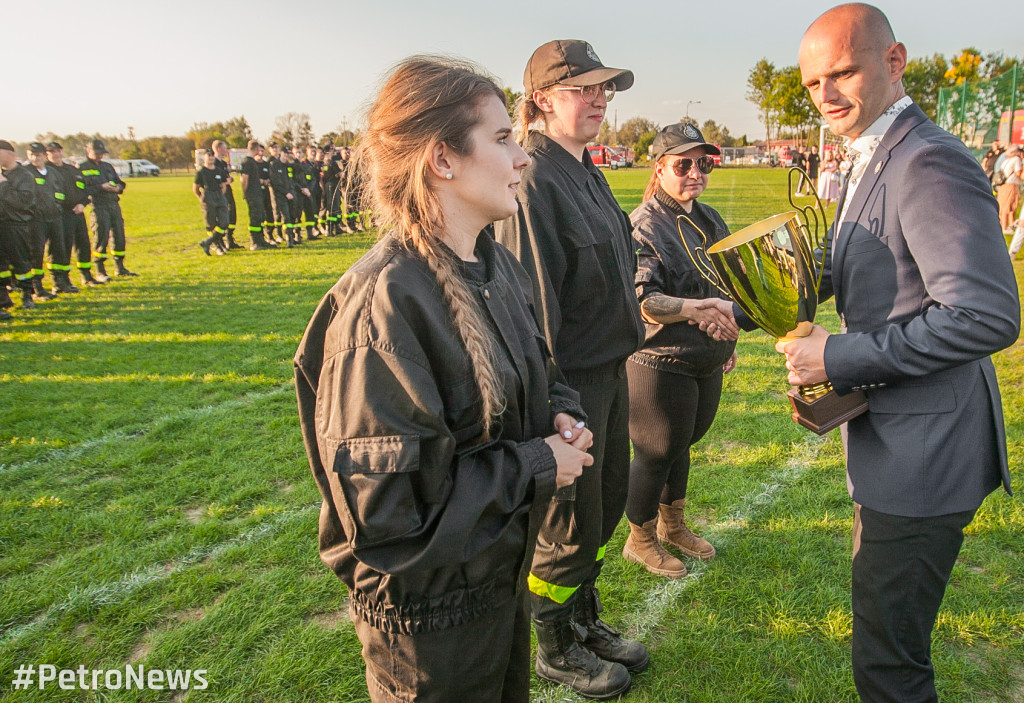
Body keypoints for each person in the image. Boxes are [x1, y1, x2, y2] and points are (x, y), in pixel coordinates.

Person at [295, 55, 593, 703]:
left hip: (492, 583)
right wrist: (541, 462)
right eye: (504, 138)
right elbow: (391, 522)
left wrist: (561, 413)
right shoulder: (385, 306)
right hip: (429, 628)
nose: (523, 159)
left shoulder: (495, 265)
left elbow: (540, 373)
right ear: (443, 160)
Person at [777, 5, 1019, 702]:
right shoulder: (873, 152)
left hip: (926, 457)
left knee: (889, 664)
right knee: (886, 642)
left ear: (894, 61)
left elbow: (986, 315)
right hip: (900, 442)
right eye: (812, 82)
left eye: (843, 72)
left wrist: (840, 356)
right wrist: (736, 303)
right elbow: (856, 265)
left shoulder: (927, 157)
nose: (825, 94)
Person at [494, 39, 646, 698]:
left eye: (604, 88)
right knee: (567, 523)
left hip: (612, 372)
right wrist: (555, 407)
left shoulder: (585, 168)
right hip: (571, 385)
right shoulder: (532, 178)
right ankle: (553, 643)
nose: (599, 99)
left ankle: (583, 619)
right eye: (582, 88)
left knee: (605, 507)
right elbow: (533, 310)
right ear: (540, 100)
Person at [621, 123, 739, 581]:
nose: (695, 173)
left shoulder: (709, 218)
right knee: (657, 448)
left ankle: (673, 526)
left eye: (703, 163)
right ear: (660, 167)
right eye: (683, 164)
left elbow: (730, 284)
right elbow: (642, 297)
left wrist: (730, 337)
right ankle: (640, 538)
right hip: (659, 360)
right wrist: (695, 309)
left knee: (684, 442)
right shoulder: (643, 225)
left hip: (706, 358)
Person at [46, 142, 103, 287]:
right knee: (62, 247)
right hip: (61, 215)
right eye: (52, 152)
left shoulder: (72, 170)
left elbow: (83, 189)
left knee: (83, 245)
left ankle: (86, 275)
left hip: (78, 213)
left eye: (58, 151)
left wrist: (82, 204)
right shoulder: (47, 171)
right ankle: (62, 279)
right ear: (47, 154)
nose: (56, 154)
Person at [80, 139, 137, 278]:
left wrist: (118, 188)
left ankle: (120, 267)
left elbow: (120, 182)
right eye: (97, 153)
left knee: (119, 236)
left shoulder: (107, 166)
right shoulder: (83, 167)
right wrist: (100, 187)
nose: (100, 156)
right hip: (98, 206)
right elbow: (83, 189)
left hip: (113, 204)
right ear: (89, 151)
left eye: (102, 153)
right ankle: (100, 270)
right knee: (101, 237)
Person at [24, 142, 64, 300]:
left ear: (44, 156)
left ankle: (59, 282)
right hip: (36, 221)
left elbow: (60, 192)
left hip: (54, 218)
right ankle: (37, 287)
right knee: (36, 253)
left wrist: (58, 207)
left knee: (57, 250)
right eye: (32, 155)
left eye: (38, 155)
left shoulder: (52, 172)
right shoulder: (25, 172)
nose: (35, 158)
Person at [0, 139, 37, 313]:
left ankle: (27, 294)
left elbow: (22, 202)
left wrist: (3, 184)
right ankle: (3, 297)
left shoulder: (24, 176)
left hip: (16, 225)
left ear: (10, 154)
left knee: (21, 263)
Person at [193, 149, 229, 256]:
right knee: (211, 224)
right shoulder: (201, 172)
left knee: (224, 222)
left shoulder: (219, 171)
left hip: (219, 196)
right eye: (208, 155)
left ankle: (208, 241)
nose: (211, 158)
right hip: (208, 196)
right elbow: (196, 188)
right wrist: (203, 199)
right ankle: (217, 245)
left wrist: (220, 196)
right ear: (204, 157)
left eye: (212, 155)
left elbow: (223, 185)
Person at [239, 140, 273, 250]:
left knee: (260, 217)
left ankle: (261, 240)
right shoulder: (247, 162)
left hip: (258, 193)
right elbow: (244, 179)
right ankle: (254, 242)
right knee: (254, 217)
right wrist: (245, 192)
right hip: (252, 194)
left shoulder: (252, 161)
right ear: (256, 148)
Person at [212, 140, 242, 250]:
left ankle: (230, 239)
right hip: (219, 193)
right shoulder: (213, 164)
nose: (226, 150)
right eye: (225, 148)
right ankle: (219, 241)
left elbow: (227, 177)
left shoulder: (224, 163)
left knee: (232, 214)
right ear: (219, 149)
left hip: (228, 192)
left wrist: (230, 179)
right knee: (221, 217)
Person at [996, 143, 1021, 233]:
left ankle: (1006, 226)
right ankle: (1006, 227)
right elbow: (1018, 173)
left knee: (1003, 206)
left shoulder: (1006, 161)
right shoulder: (1016, 159)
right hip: (1011, 185)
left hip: (1003, 185)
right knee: (1010, 206)